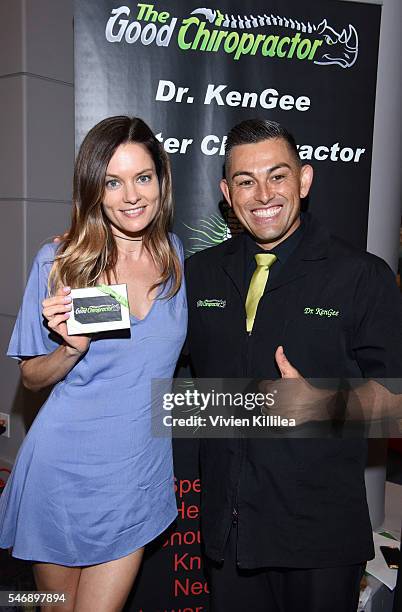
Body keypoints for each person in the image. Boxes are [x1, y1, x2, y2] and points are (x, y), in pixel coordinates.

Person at [185, 118, 402, 611]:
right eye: (245, 181)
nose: (263, 194)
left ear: (304, 180)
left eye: (277, 176)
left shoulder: (361, 276)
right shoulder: (200, 274)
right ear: (227, 192)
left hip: (317, 539)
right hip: (229, 532)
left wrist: (321, 405)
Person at [0, 116, 187, 611]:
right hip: (62, 473)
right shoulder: (60, 261)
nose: (131, 195)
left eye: (143, 177)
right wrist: (70, 349)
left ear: (161, 181)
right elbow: (30, 375)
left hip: (135, 475)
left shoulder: (176, 259)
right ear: (93, 189)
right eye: (113, 181)